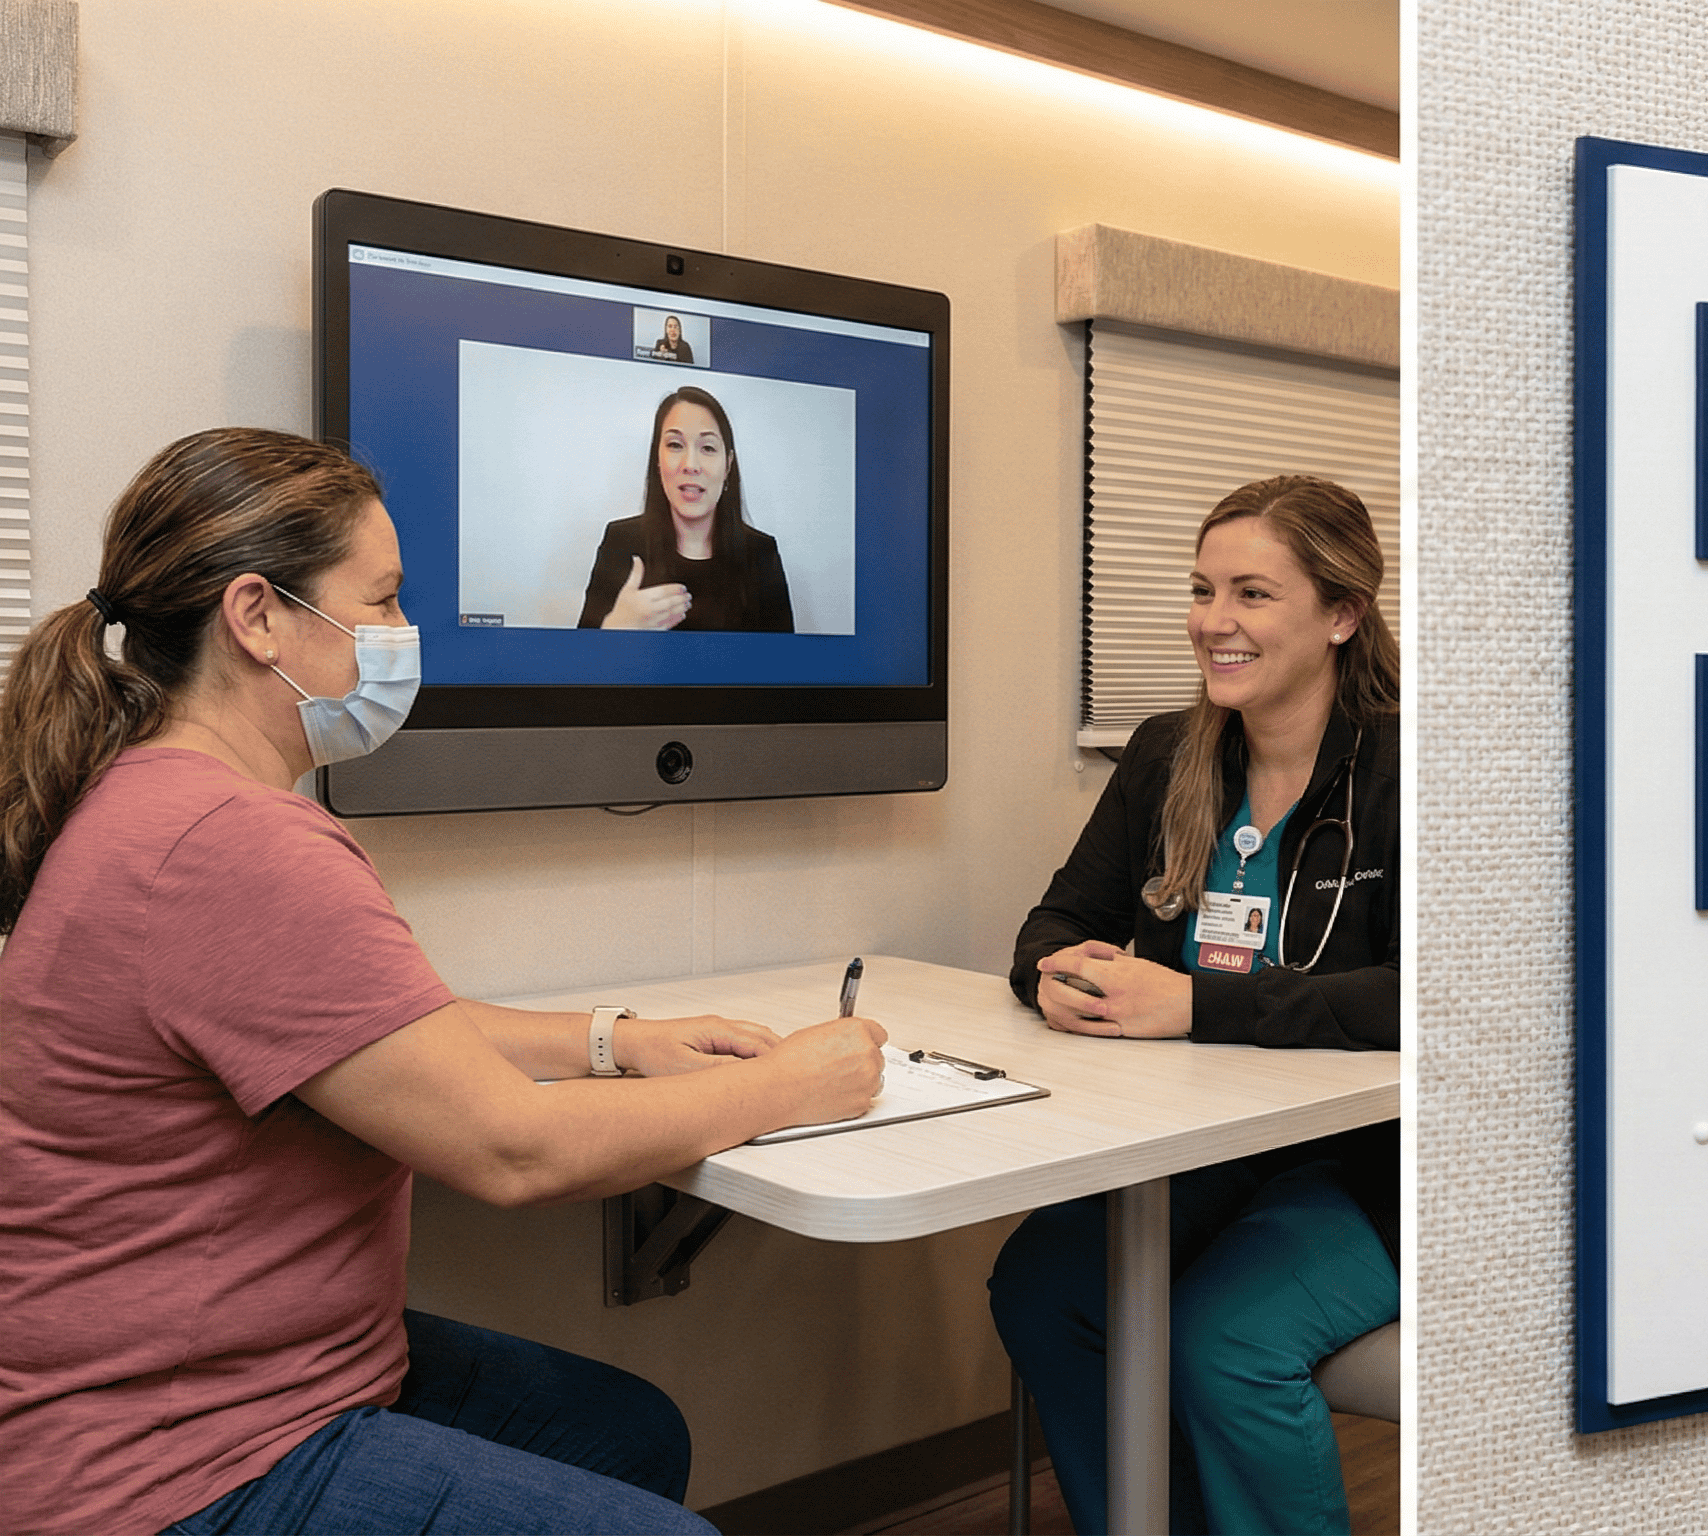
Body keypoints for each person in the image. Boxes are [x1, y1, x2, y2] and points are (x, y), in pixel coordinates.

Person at [0, 428, 887, 1535]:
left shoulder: (150, 796)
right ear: (257, 616)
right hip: (172, 1462)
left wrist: (615, 1038)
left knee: (626, 1431)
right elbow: (512, 1150)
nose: (400, 636)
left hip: (249, 1374)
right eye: (379, 603)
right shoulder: (233, 842)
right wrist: (789, 1087)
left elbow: (362, 1031)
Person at [992, 474, 1399, 1535]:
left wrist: (1193, 1005)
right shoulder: (1167, 757)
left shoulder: (1410, 769)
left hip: (1373, 1166)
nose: (1211, 622)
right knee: (1044, 1289)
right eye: (1201, 589)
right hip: (1207, 1143)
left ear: (1341, 615)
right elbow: (1047, 929)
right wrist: (1065, 978)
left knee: (1222, 1340)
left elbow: (1435, 998)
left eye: (1252, 595)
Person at [577, 386, 794, 632]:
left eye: (708, 448)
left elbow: (785, 666)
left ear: (728, 465)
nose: (690, 465)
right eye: (675, 445)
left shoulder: (761, 555)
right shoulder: (621, 542)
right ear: (657, 460)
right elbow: (582, 664)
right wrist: (614, 628)